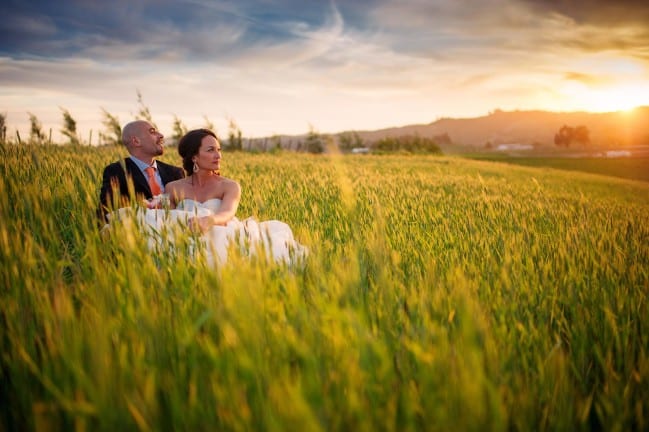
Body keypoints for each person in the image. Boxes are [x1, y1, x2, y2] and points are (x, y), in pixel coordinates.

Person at [104, 128, 307, 266]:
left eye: (219, 150)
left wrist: (211, 220)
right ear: (194, 156)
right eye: (210, 150)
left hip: (221, 232)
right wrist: (152, 206)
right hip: (187, 238)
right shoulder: (174, 186)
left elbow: (227, 212)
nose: (218, 155)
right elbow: (166, 215)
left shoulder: (229, 185)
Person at [98, 120, 185, 220]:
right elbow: (106, 212)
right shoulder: (116, 172)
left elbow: (185, 207)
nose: (161, 135)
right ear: (136, 141)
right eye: (152, 132)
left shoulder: (176, 172)